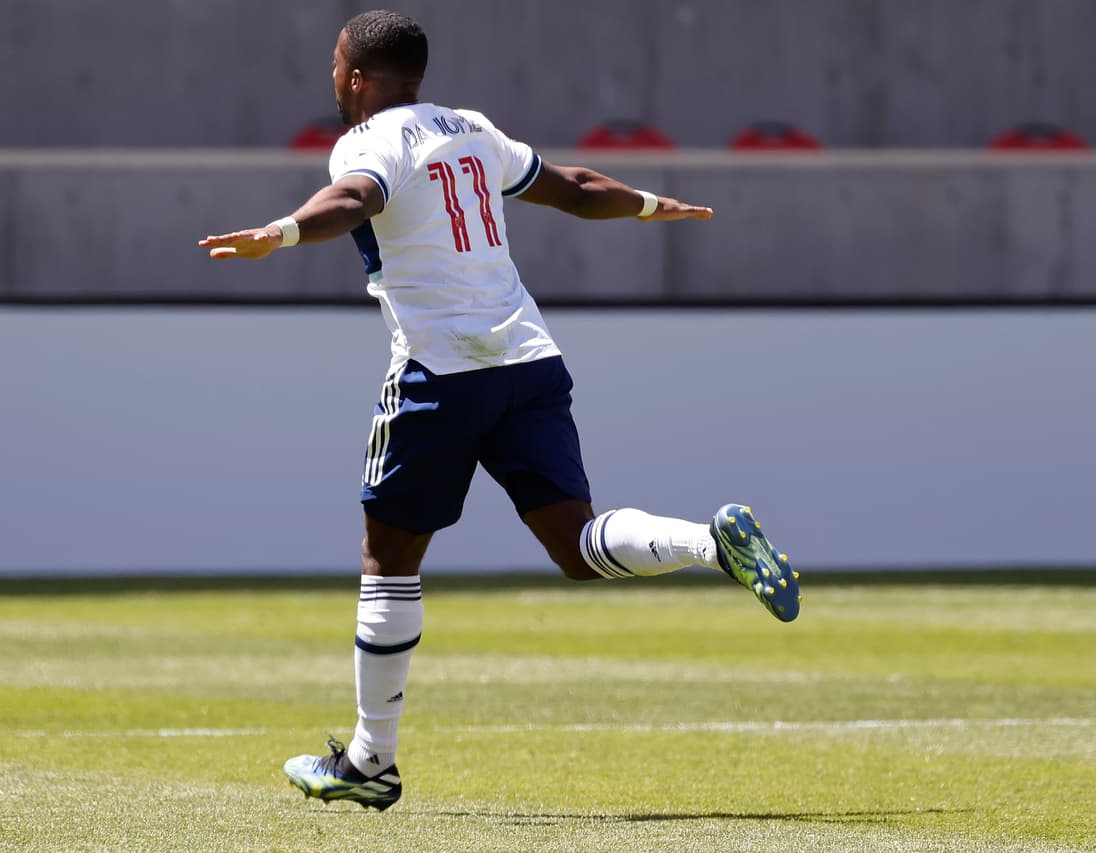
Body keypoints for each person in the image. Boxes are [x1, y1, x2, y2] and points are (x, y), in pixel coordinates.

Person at [198, 9, 800, 812]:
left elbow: (352, 197)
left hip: (440, 374)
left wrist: (278, 232)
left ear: (350, 77)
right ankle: (707, 540)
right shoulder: (474, 129)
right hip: (530, 362)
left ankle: (372, 759)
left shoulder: (369, 140)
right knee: (578, 544)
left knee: (389, 560)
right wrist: (656, 205)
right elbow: (580, 190)